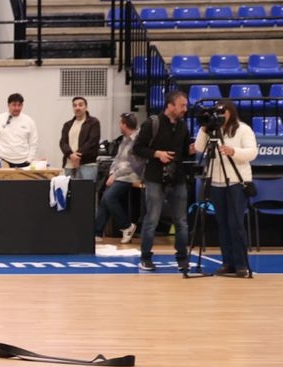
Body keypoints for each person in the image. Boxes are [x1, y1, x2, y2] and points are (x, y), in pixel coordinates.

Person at [193, 99, 257, 277]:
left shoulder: (243, 129)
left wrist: (233, 151)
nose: (221, 115)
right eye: (218, 112)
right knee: (222, 225)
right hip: (216, 182)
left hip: (236, 181)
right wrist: (204, 128)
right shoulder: (212, 129)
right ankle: (227, 263)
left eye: (224, 111)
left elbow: (252, 152)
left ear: (231, 112)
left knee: (235, 224)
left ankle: (241, 264)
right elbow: (199, 147)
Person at [133, 89, 191, 273]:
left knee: (181, 221)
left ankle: (182, 258)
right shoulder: (152, 123)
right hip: (155, 177)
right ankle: (145, 257)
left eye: (186, 105)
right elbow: (138, 148)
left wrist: (194, 148)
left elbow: (184, 150)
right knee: (152, 219)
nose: (185, 109)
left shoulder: (183, 126)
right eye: (182, 105)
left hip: (178, 177)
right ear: (170, 105)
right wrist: (157, 154)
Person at [94, 112, 143, 244]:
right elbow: (117, 159)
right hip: (119, 175)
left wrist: (115, 175)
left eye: (120, 123)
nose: (119, 125)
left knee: (109, 197)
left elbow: (133, 165)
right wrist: (111, 173)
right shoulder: (124, 139)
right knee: (105, 197)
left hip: (131, 176)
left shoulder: (138, 140)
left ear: (125, 125)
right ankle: (97, 233)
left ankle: (126, 226)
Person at [0, 93, 38, 168]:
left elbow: (33, 143)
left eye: (19, 105)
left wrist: (29, 159)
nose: (17, 108)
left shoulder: (29, 121)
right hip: (4, 162)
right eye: (14, 105)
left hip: (24, 162)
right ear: (8, 105)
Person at [59, 97, 101, 180]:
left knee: (86, 192)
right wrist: (71, 155)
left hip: (87, 164)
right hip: (69, 164)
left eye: (80, 105)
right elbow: (62, 142)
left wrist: (77, 155)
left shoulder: (93, 122)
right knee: (70, 192)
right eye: (75, 106)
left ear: (86, 107)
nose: (77, 108)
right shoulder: (67, 124)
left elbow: (92, 141)